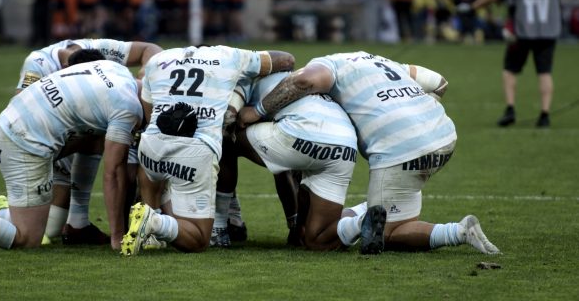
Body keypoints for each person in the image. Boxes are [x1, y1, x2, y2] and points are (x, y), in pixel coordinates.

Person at [239, 52, 501, 255]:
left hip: (400, 150)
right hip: (444, 137)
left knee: (388, 233)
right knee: (399, 220)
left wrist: (257, 111)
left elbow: (305, 80)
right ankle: (375, 213)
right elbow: (440, 82)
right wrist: (413, 111)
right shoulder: (381, 62)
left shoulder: (328, 65)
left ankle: (453, 231)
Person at [0, 57, 143, 250]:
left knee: (95, 141)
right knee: (28, 238)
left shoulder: (119, 71)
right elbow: (113, 172)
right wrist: (117, 236)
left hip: (15, 123)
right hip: (24, 143)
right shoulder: (128, 108)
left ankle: (76, 222)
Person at [120, 45, 295, 255]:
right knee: (198, 239)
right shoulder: (229, 56)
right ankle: (155, 223)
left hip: (151, 147)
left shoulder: (158, 60)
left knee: (154, 173)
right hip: (195, 150)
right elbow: (286, 59)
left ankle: (151, 229)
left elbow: (149, 114)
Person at [0, 38, 162, 245]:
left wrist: (147, 79)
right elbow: (19, 110)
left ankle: (78, 222)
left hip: (72, 130)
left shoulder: (101, 51)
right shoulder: (38, 63)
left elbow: (151, 49)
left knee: (51, 228)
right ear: (67, 69)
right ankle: (0, 209)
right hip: (36, 139)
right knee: (36, 233)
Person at [224, 71, 364, 251]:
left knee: (225, 140)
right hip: (345, 147)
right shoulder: (300, 79)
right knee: (316, 239)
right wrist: (297, 227)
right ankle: (363, 217)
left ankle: (224, 225)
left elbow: (281, 169)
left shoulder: (243, 84)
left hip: (301, 134)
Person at [470, 0, 578, 128]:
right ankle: (544, 114)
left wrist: (474, 6)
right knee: (545, 72)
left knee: (510, 69)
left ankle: (510, 108)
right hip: (549, 29)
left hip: (522, 30)